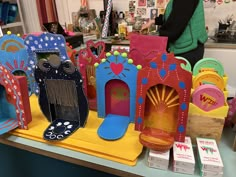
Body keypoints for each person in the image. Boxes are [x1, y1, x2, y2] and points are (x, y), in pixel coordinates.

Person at [141, 0, 208, 68]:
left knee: (181, 77)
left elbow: (175, 24)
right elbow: (174, 15)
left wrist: (156, 37)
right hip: (187, 47)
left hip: (187, 49)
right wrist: (153, 21)